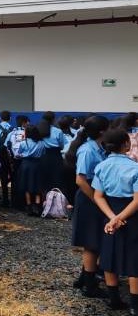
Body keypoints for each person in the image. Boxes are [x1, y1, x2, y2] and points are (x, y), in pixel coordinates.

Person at [92, 128, 138, 312]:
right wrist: (120, 218)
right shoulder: (135, 167)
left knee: (110, 254)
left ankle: (114, 300)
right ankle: (135, 306)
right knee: (134, 257)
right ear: (126, 144)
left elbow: (98, 196)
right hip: (132, 215)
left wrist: (112, 218)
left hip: (109, 212)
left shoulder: (102, 166)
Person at [65, 115, 109, 298]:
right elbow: (80, 180)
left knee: (95, 241)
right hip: (89, 198)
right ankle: (89, 286)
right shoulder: (87, 150)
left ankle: (85, 277)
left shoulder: (98, 147)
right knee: (91, 243)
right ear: (101, 132)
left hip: (94, 197)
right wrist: (97, 200)